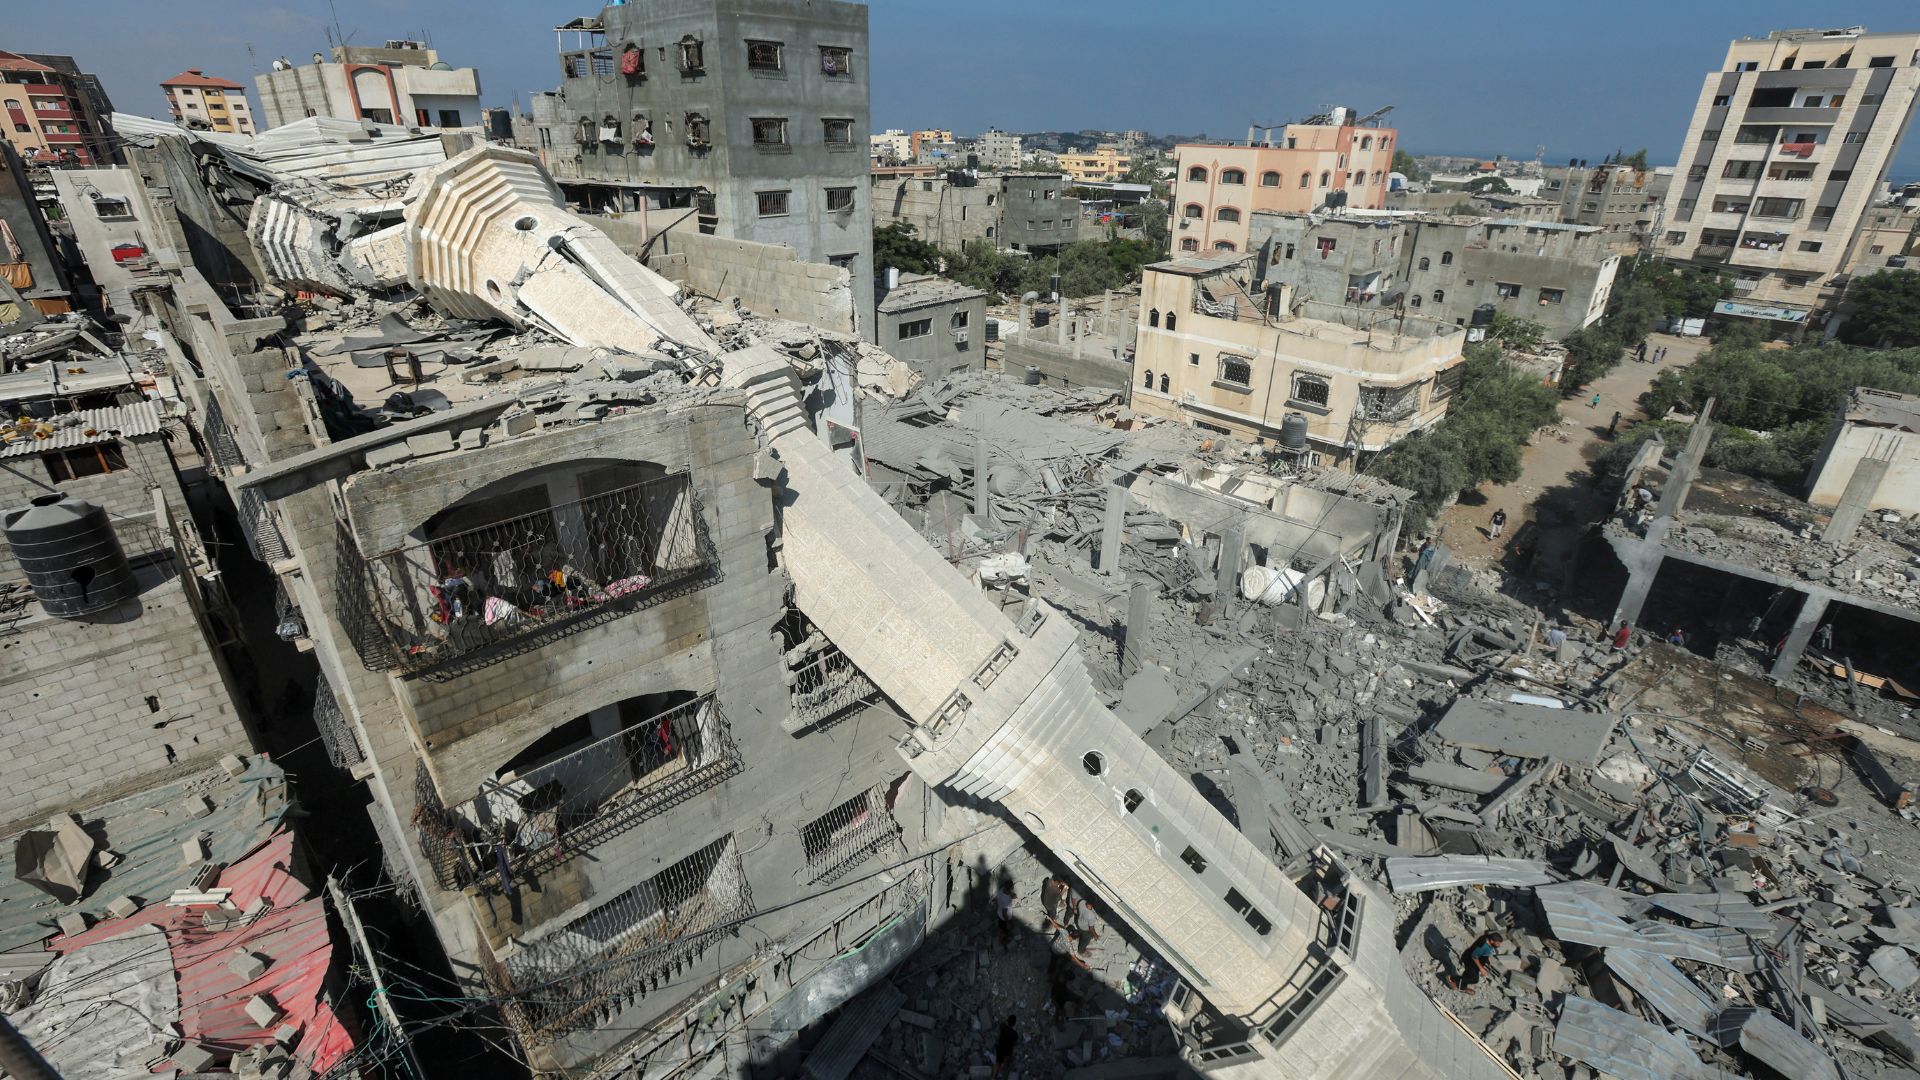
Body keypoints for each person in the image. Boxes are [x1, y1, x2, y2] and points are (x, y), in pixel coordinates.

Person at [991, 1014, 1019, 1078]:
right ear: (1014, 1023)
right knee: (1006, 1064)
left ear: (1007, 1021)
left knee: (998, 1063)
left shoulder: (1003, 1026)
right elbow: (1015, 1043)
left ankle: (993, 1077)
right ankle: (1004, 1076)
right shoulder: (1014, 1034)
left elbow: (1002, 1025)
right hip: (1007, 1051)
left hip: (1000, 1048)